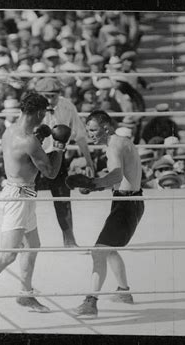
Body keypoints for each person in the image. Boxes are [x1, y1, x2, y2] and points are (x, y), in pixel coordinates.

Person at [0, 93, 71, 327]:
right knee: (8, 253)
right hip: (18, 197)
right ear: (40, 112)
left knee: (32, 246)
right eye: (46, 113)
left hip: (22, 192)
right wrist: (60, 148)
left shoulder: (11, 130)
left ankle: (25, 294)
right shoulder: (28, 141)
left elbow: (25, 162)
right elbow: (51, 173)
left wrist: (41, 142)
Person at [65, 110, 144, 317]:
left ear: (106, 127)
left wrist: (93, 184)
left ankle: (90, 302)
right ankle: (123, 292)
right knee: (108, 249)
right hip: (126, 201)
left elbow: (117, 174)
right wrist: (96, 186)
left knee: (98, 251)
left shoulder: (115, 145)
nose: (90, 134)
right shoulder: (118, 142)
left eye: (93, 130)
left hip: (127, 204)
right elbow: (119, 178)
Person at [34, 77, 95, 247]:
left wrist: (89, 162)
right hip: (33, 157)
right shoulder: (30, 108)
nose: (50, 100)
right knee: (27, 198)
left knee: (63, 197)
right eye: (46, 95)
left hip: (57, 155)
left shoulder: (67, 106)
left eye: (54, 95)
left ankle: (69, 240)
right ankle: (23, 240)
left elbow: (80, 135)